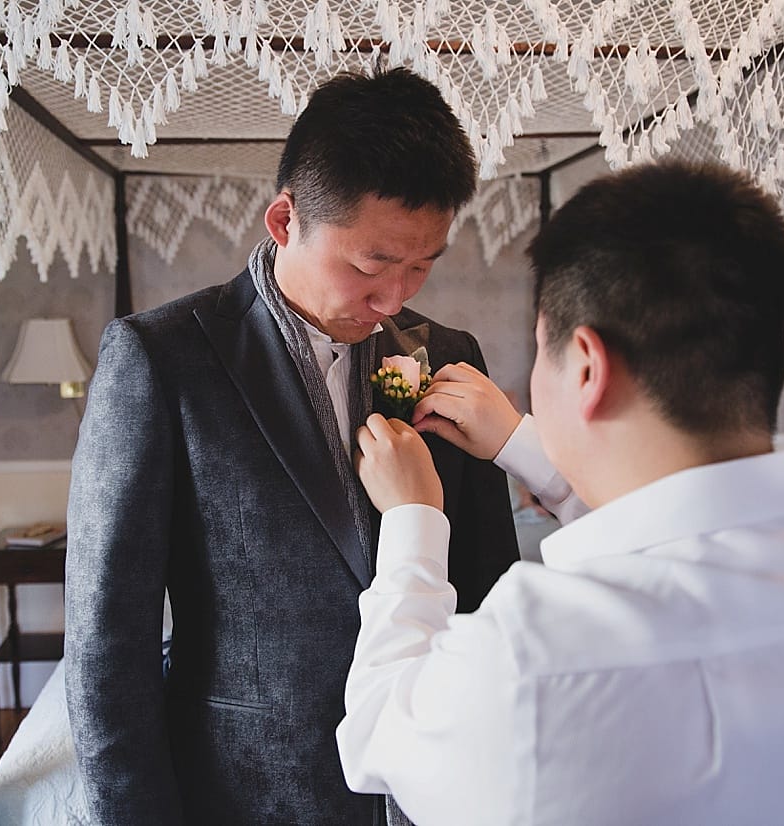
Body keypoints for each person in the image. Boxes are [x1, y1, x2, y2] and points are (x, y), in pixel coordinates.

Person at [338, 161, 784, 825]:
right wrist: (522, 443)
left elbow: (379, 731)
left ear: (585, 365)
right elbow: (676, 536)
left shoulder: (534, 655)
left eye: (540, 348)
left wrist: (413, 522)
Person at [64, 68, 520, 826]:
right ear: (284, 220)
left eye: (421, 267)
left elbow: (488, 584)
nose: (393, 300)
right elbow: (108, 643)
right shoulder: (162, 358)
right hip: (250, 790)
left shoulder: (449, 352)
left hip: (433, 785)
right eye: (371, 265)